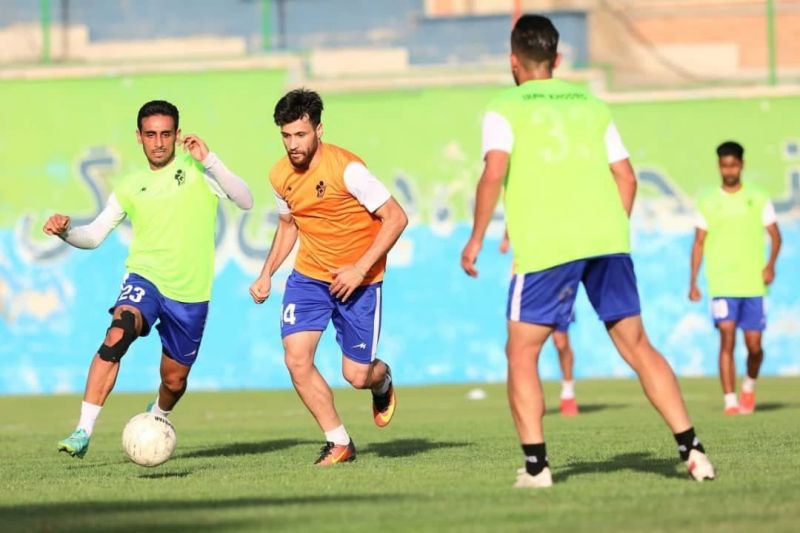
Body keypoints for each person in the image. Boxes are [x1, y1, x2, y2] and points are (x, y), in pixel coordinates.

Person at [460, 14, 715, 488]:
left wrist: (476, 238)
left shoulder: (503, 108)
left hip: (548, 248)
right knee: (638, 346)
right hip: (609, 242)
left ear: (514, 61)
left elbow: (494, 172)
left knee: (521, 353)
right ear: (556, 59)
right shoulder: (593, 105)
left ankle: (536, 468)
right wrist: (609, 231)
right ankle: (693, 451)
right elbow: (627, 178)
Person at [44, 100, 253, 458]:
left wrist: (210, 159)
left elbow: (245, 200)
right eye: (151, 134)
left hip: (190, 294)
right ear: (139, 137)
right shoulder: (130, 185)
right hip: (145, 278)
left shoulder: (198, 169)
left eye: (166, 134)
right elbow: (93, 235)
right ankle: (83, 430)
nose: (158, 142)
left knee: (174, 380)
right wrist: (66, 232)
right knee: (118, 333)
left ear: (177, 135)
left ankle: (158, 413)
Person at [250, 89, 408, 466]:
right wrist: (267, 273)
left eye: (300, 135)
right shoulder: (279, 175)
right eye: (286, 135)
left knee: (356, 375)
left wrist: (359, 269)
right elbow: (289, 225)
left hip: (360, 282)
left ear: (319, 130)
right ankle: (339, 441)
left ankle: (382, 380)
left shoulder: (348, 170)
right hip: (309, 278)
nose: (293, 144)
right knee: (296, 359)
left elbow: (396, 217)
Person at [689, 141, 781, 415]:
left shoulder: (758, 197)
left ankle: (749, 385)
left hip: (754, 284)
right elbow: (698, 242)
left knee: (754, 346)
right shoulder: (707, 201)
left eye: (733, 165)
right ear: (719, 166)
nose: (728, 170)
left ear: (741, 165)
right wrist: (693, 282)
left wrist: (770, 266)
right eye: (724, 165)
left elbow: (776, 236)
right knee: (726, 338)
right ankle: (730, 401)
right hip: (722, 283)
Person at [501, 231, 578, 416]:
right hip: (530, 282)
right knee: (523, 347)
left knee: (561, 342)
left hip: (560, 281)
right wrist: (506, 238)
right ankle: (532, 399)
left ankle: (568, 392)